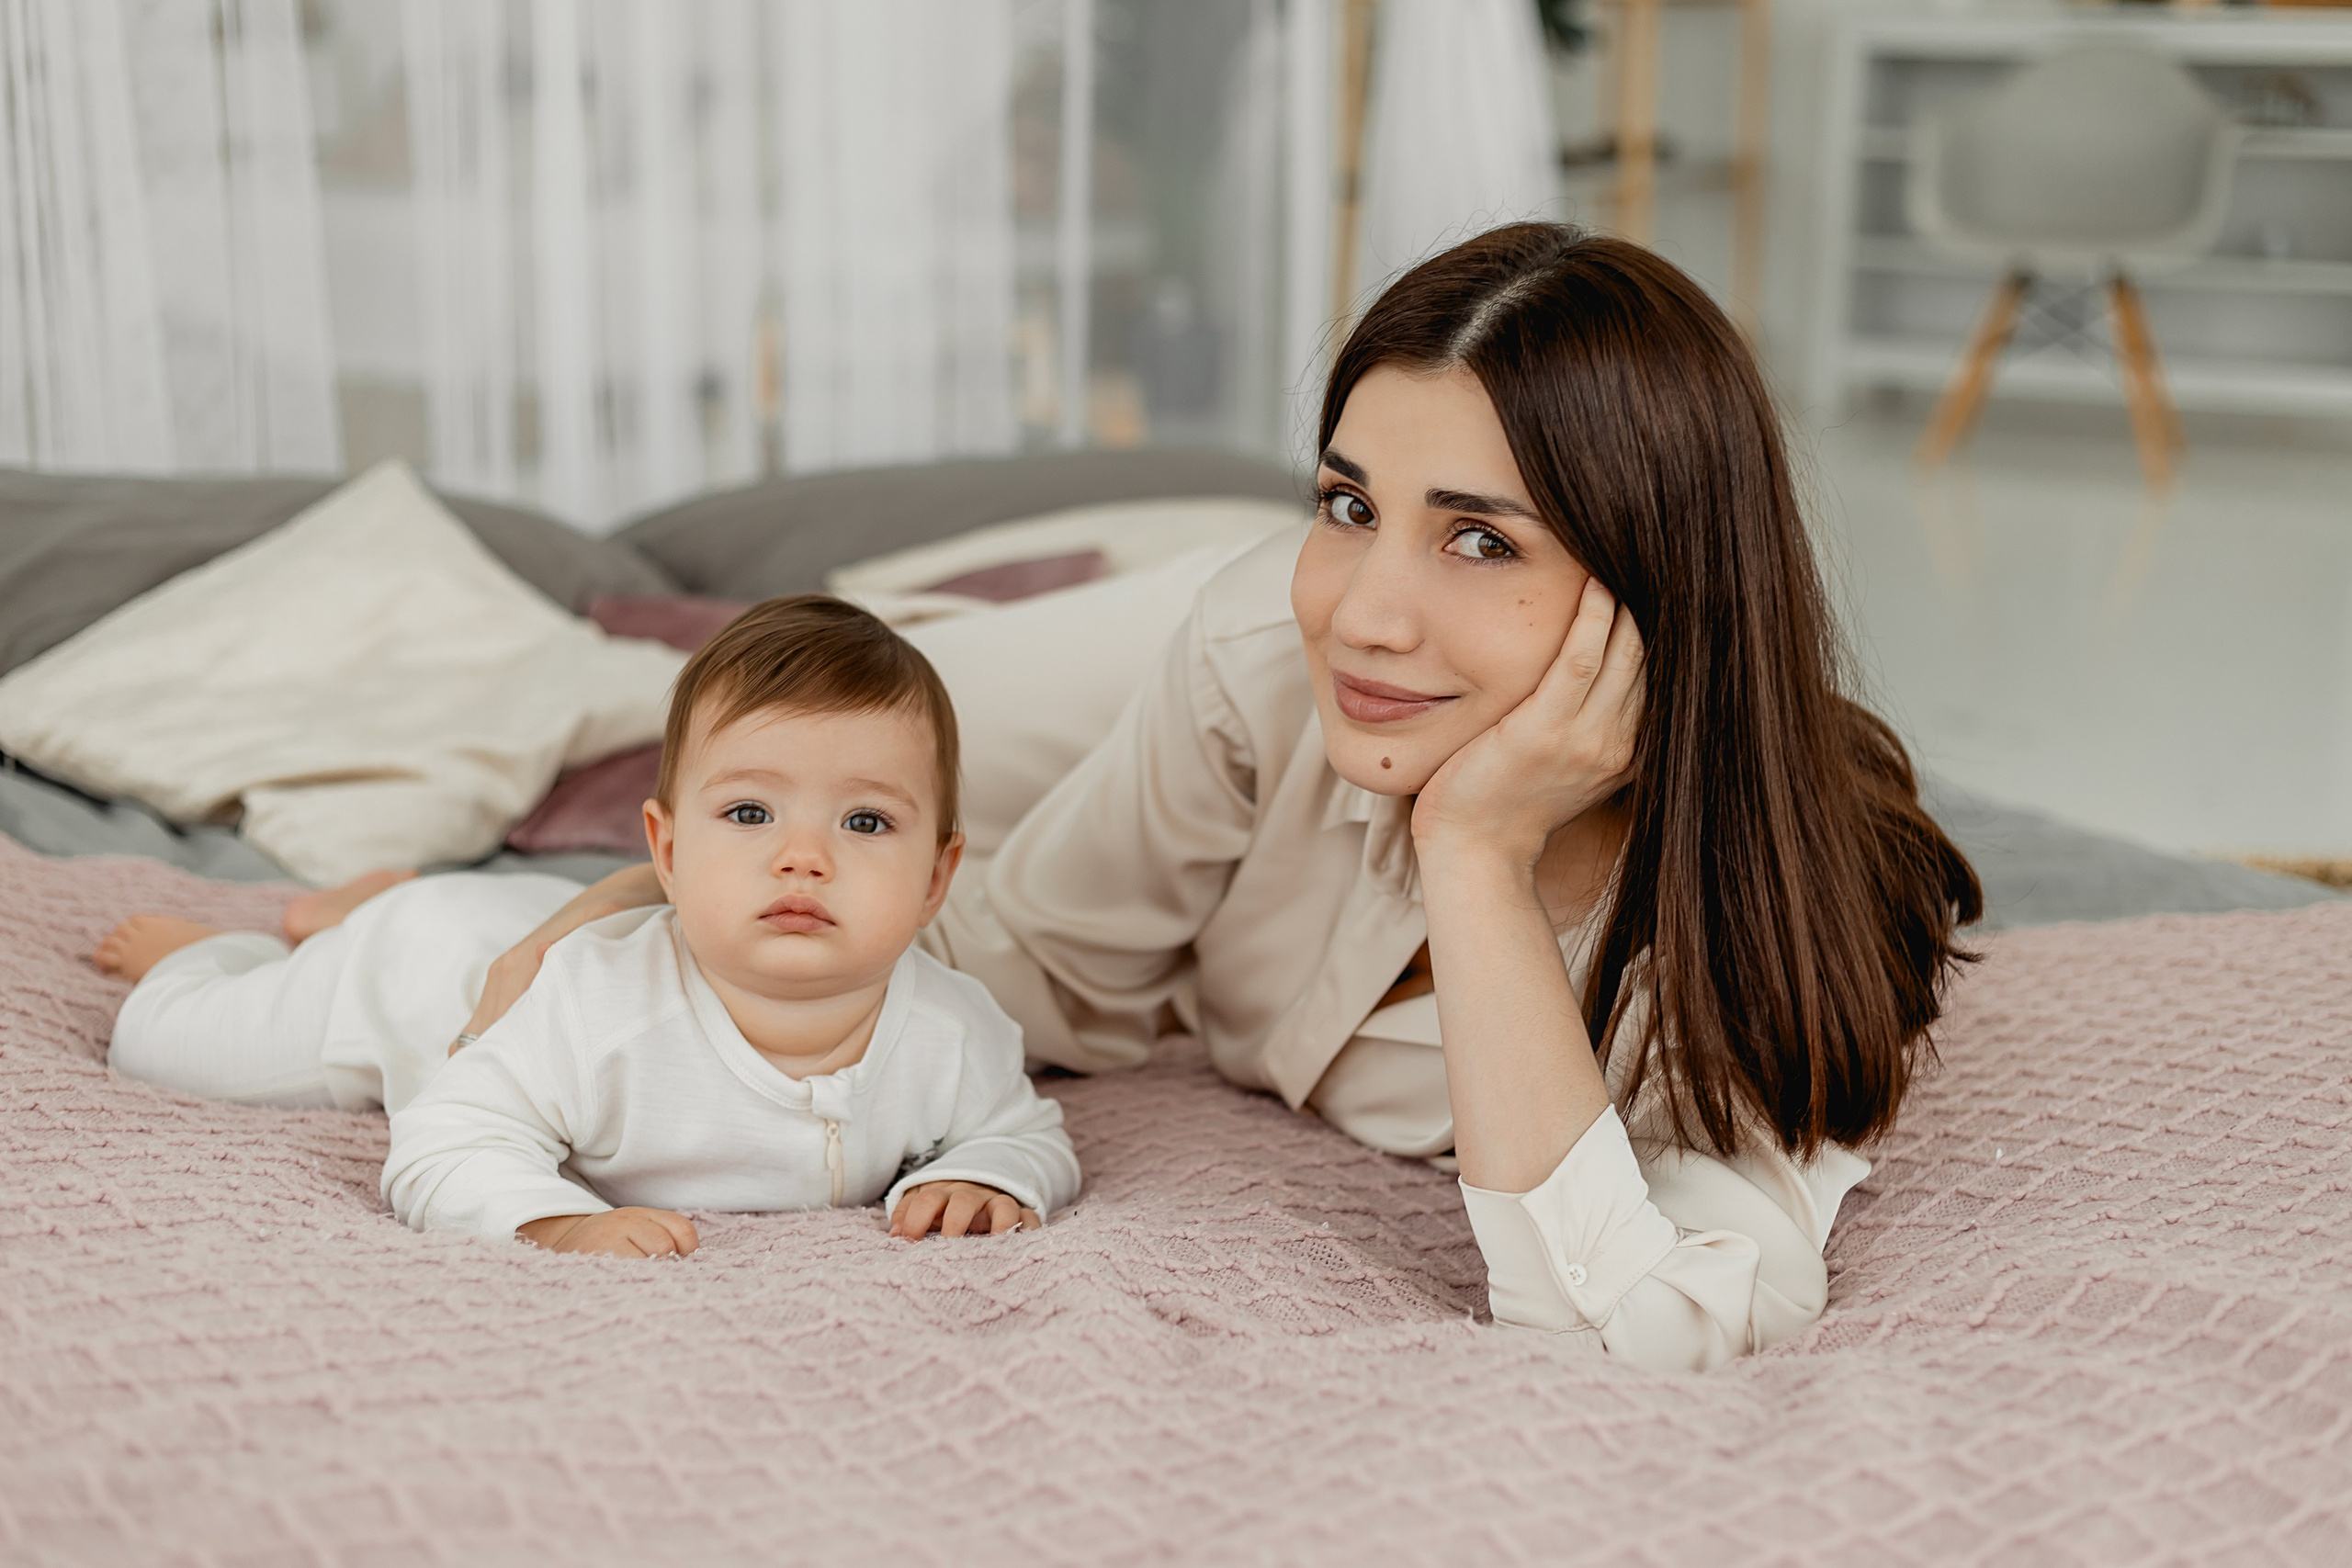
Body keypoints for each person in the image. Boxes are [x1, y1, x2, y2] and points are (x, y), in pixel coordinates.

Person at [296, 222, 1984, 1364]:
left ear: (1657, 582)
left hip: (1350, 723)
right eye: (1350, 501)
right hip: (1189, 640)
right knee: (811, 691)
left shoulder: (1771, 935)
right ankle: (592, 648)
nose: (1373, 605)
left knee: (846, 724)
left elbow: (1643, 1316)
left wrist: (1476, 850)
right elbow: (1024, 964)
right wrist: (624, 909)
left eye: (1481, 536)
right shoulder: (1281, 629)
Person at [98, 597, 1079, 1256]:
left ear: (937, 877)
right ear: (665, 849)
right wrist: (549, 1220)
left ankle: (348, 907)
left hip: (544, 923)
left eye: (865, 822)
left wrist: (991, 1173)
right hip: (424, 968)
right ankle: (255, 945)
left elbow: (1025, 1129)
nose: (803, 857)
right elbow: (446, 1138)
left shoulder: (953, 1029)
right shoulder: (591, 1015)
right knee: (162, 1041)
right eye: (748, 814)